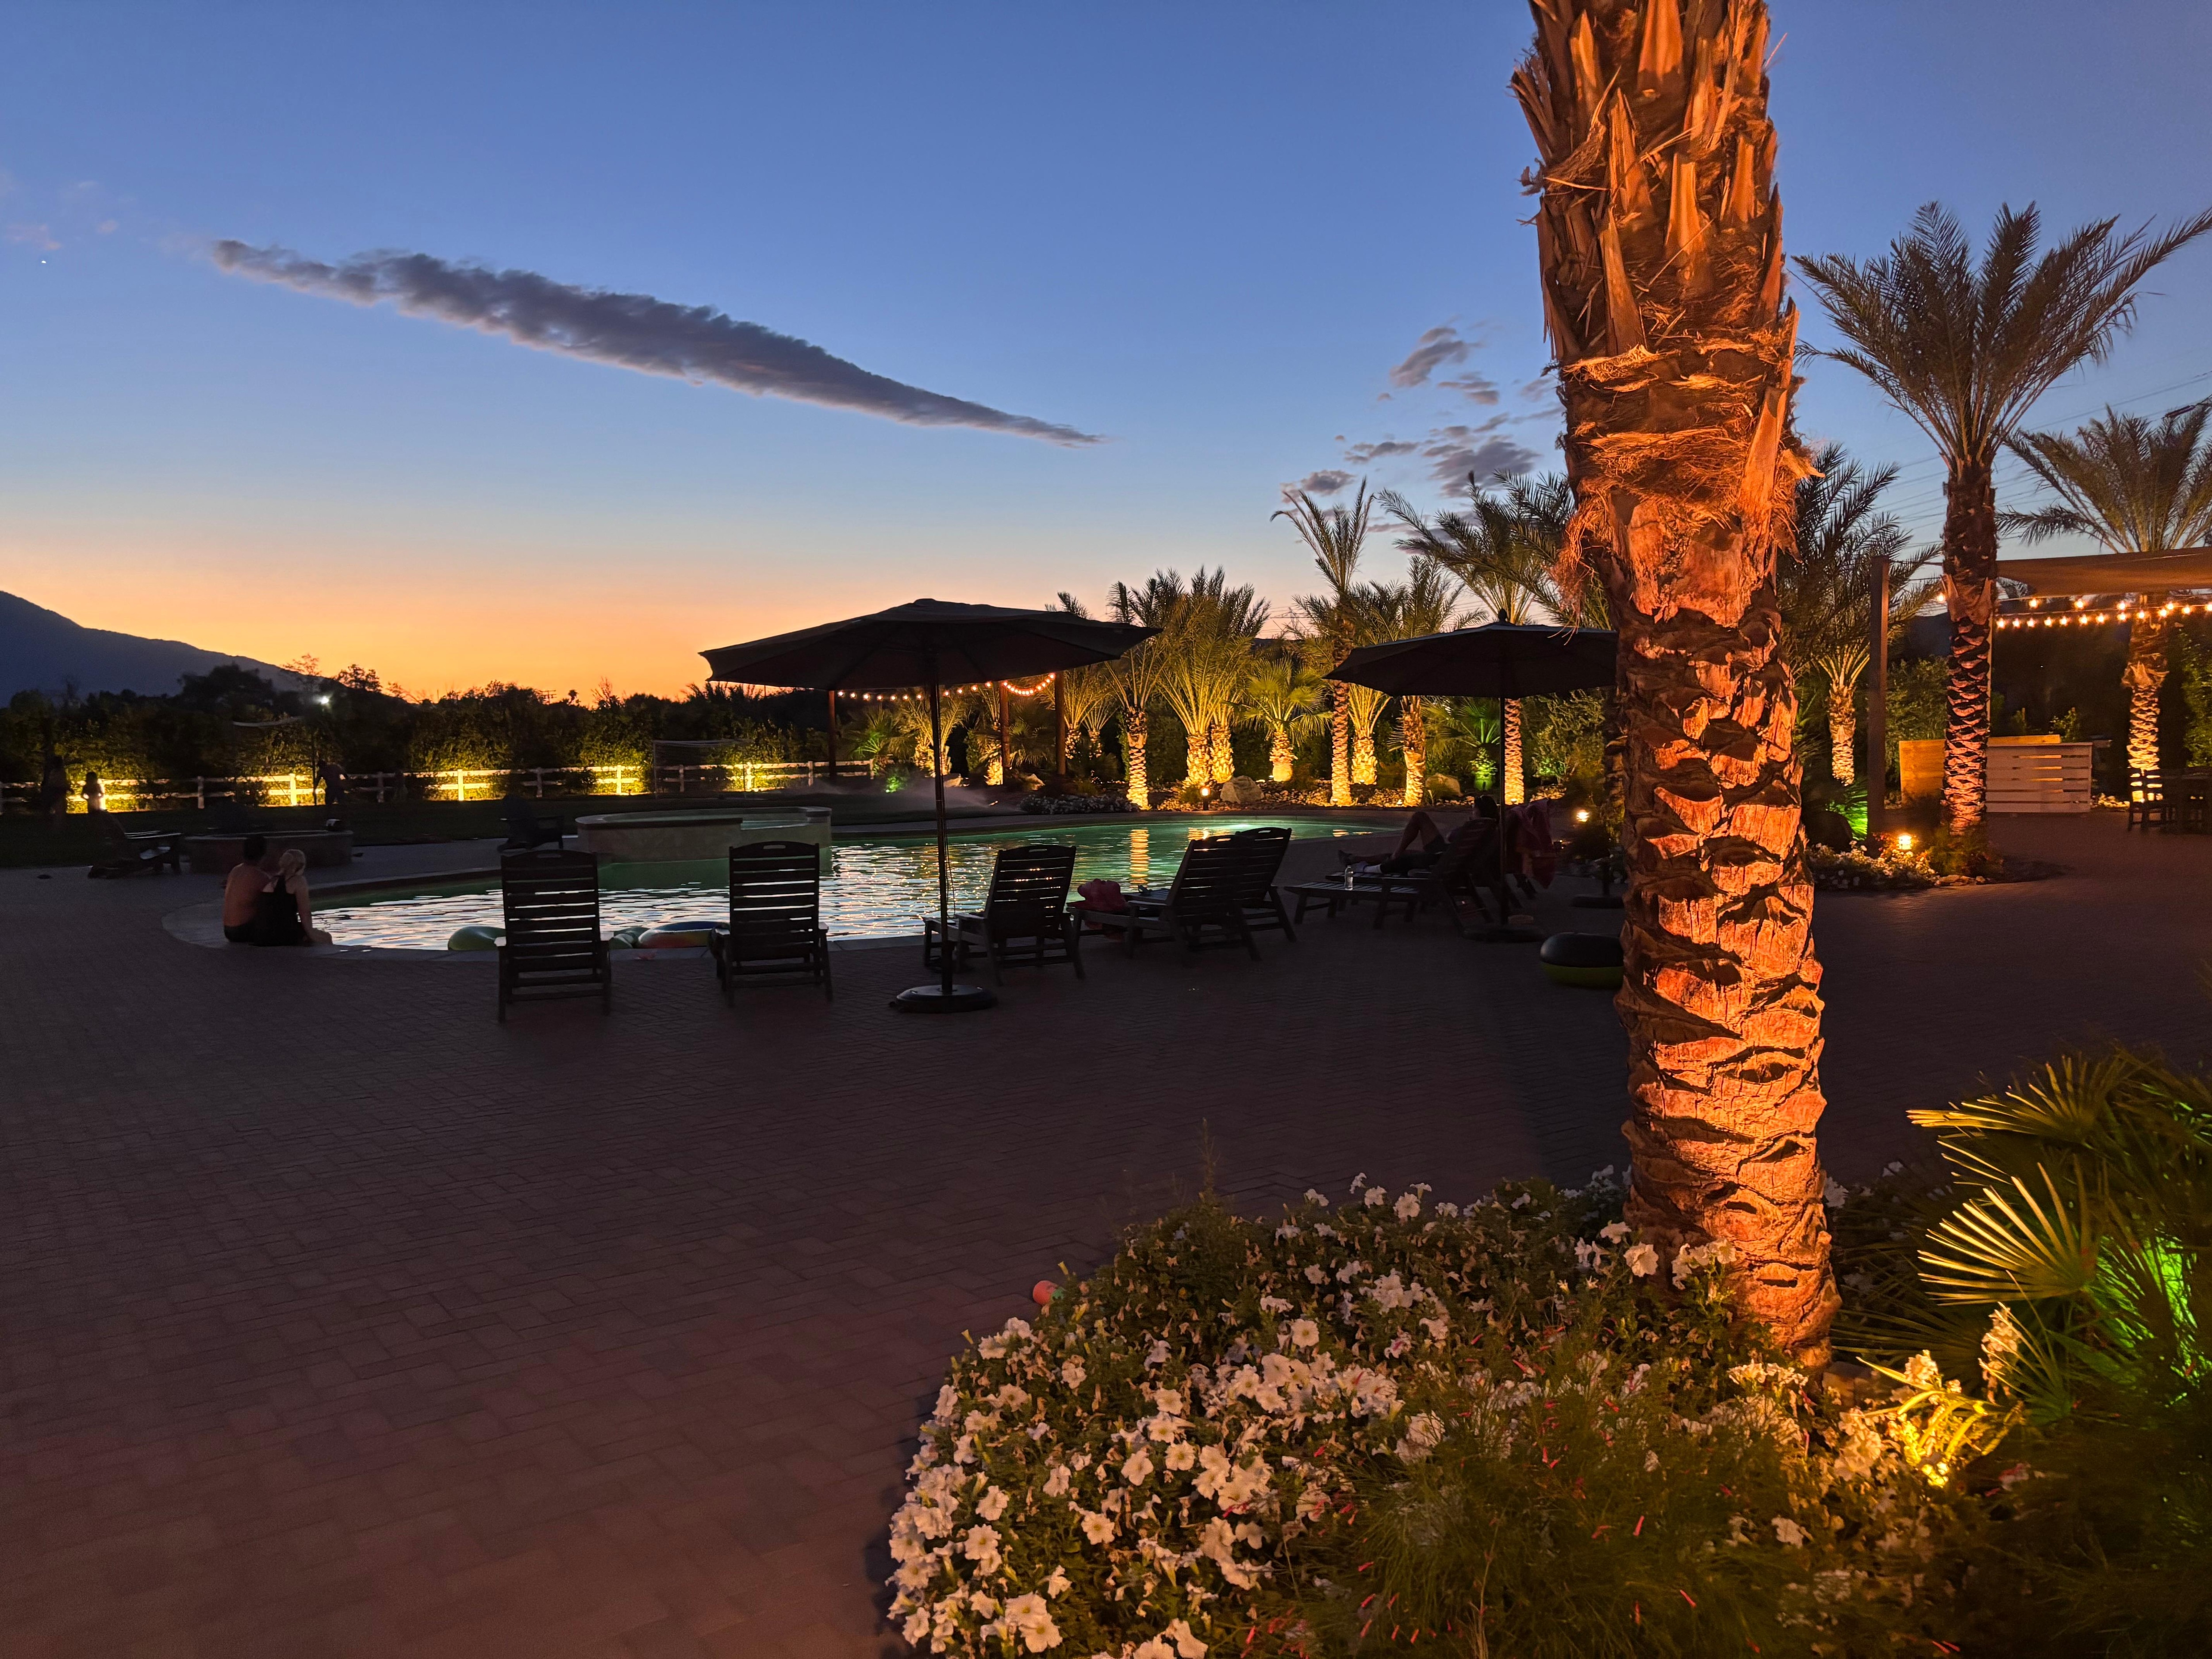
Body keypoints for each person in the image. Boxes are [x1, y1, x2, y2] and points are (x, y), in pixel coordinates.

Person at [1344, 797, 1499, 877]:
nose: (1471, 812)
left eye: (1474, 809)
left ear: (1479, 812)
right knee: (1407, 853)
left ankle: (1365, 866)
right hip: (1450, 857)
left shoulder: (1476, 826)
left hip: (1443, 857)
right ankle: (1355, 859)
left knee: (1419, 818)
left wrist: (1468, 824)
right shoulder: (1491, 827)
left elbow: (1451, 836)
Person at [222, 838, 331, 946]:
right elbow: (279, 898)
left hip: (228, 930)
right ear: (264, 855)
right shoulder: (260, 877)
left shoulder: (236, 870)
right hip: (244, 931)